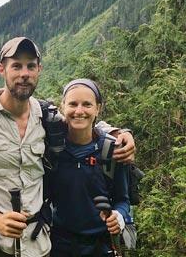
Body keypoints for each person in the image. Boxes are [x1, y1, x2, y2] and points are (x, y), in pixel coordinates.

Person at [0, 37, 135, 257]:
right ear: (1, 69)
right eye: (16, 65)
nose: (24, 73)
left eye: (31, 66)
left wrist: (119, 133)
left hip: (39, 248)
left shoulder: (47, 118)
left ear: (39, 70)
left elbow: (81, 122)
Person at [49, 79, 129, 256]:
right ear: (63, 107)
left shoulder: (111, 150)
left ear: (97, 109)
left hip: (101, 246)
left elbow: (123, 199)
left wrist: (118, 217)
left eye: (87, 104)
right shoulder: (51, 149)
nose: (79, 111)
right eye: (73, 104)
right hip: (59, 245)